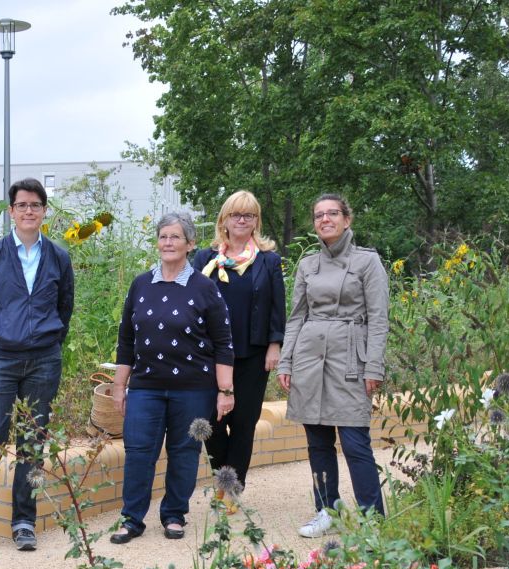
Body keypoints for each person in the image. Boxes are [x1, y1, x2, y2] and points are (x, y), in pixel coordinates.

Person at [109, 213, 235, 544]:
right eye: (163, 236)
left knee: (184, 451)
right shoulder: (140, 284)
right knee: (138, 451)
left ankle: (174, 514)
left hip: (194, 388)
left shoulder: (205, 288)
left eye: (175, 237)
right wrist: (119, 385)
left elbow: (224, 343)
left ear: (190, 244)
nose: (168, 242)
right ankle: (131, 518)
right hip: (145, 387)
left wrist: (225, 391)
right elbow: (126, 340)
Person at [0, 178, 74, 551]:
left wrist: (49, 340)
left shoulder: (58, 257)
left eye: (36, 205)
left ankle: (24, 522)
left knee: (32, 444)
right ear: (11, 211)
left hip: (43, 360)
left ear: (44, 211)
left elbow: (65, 307)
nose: (29, 211)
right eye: (22, 205)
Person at [277, 193, 389, 538]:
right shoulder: (307, 265)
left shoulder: (367, 262)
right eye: (318, 215)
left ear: (346, 219)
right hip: (310, 359)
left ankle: (373, 519)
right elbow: (296, 317)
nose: (324, 219)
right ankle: (326, 511)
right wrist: (287, 360)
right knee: (318, 443)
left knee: (355, 441)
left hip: (350, 359)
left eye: (332, 214)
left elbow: (379, 318)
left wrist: (374, 366)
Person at [190, 190, 285, 507]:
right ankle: (223, 479)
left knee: (243, 424)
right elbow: (190, 303)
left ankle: (231, 491)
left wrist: (275, 345)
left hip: (253, 355)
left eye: (249, 215)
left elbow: (277, 307)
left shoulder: (268, 261)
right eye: (236, 214)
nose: (242, 220)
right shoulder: (205, 259)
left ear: (256, 221)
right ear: (224, 220)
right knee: (212, 423)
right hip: (210, 355)